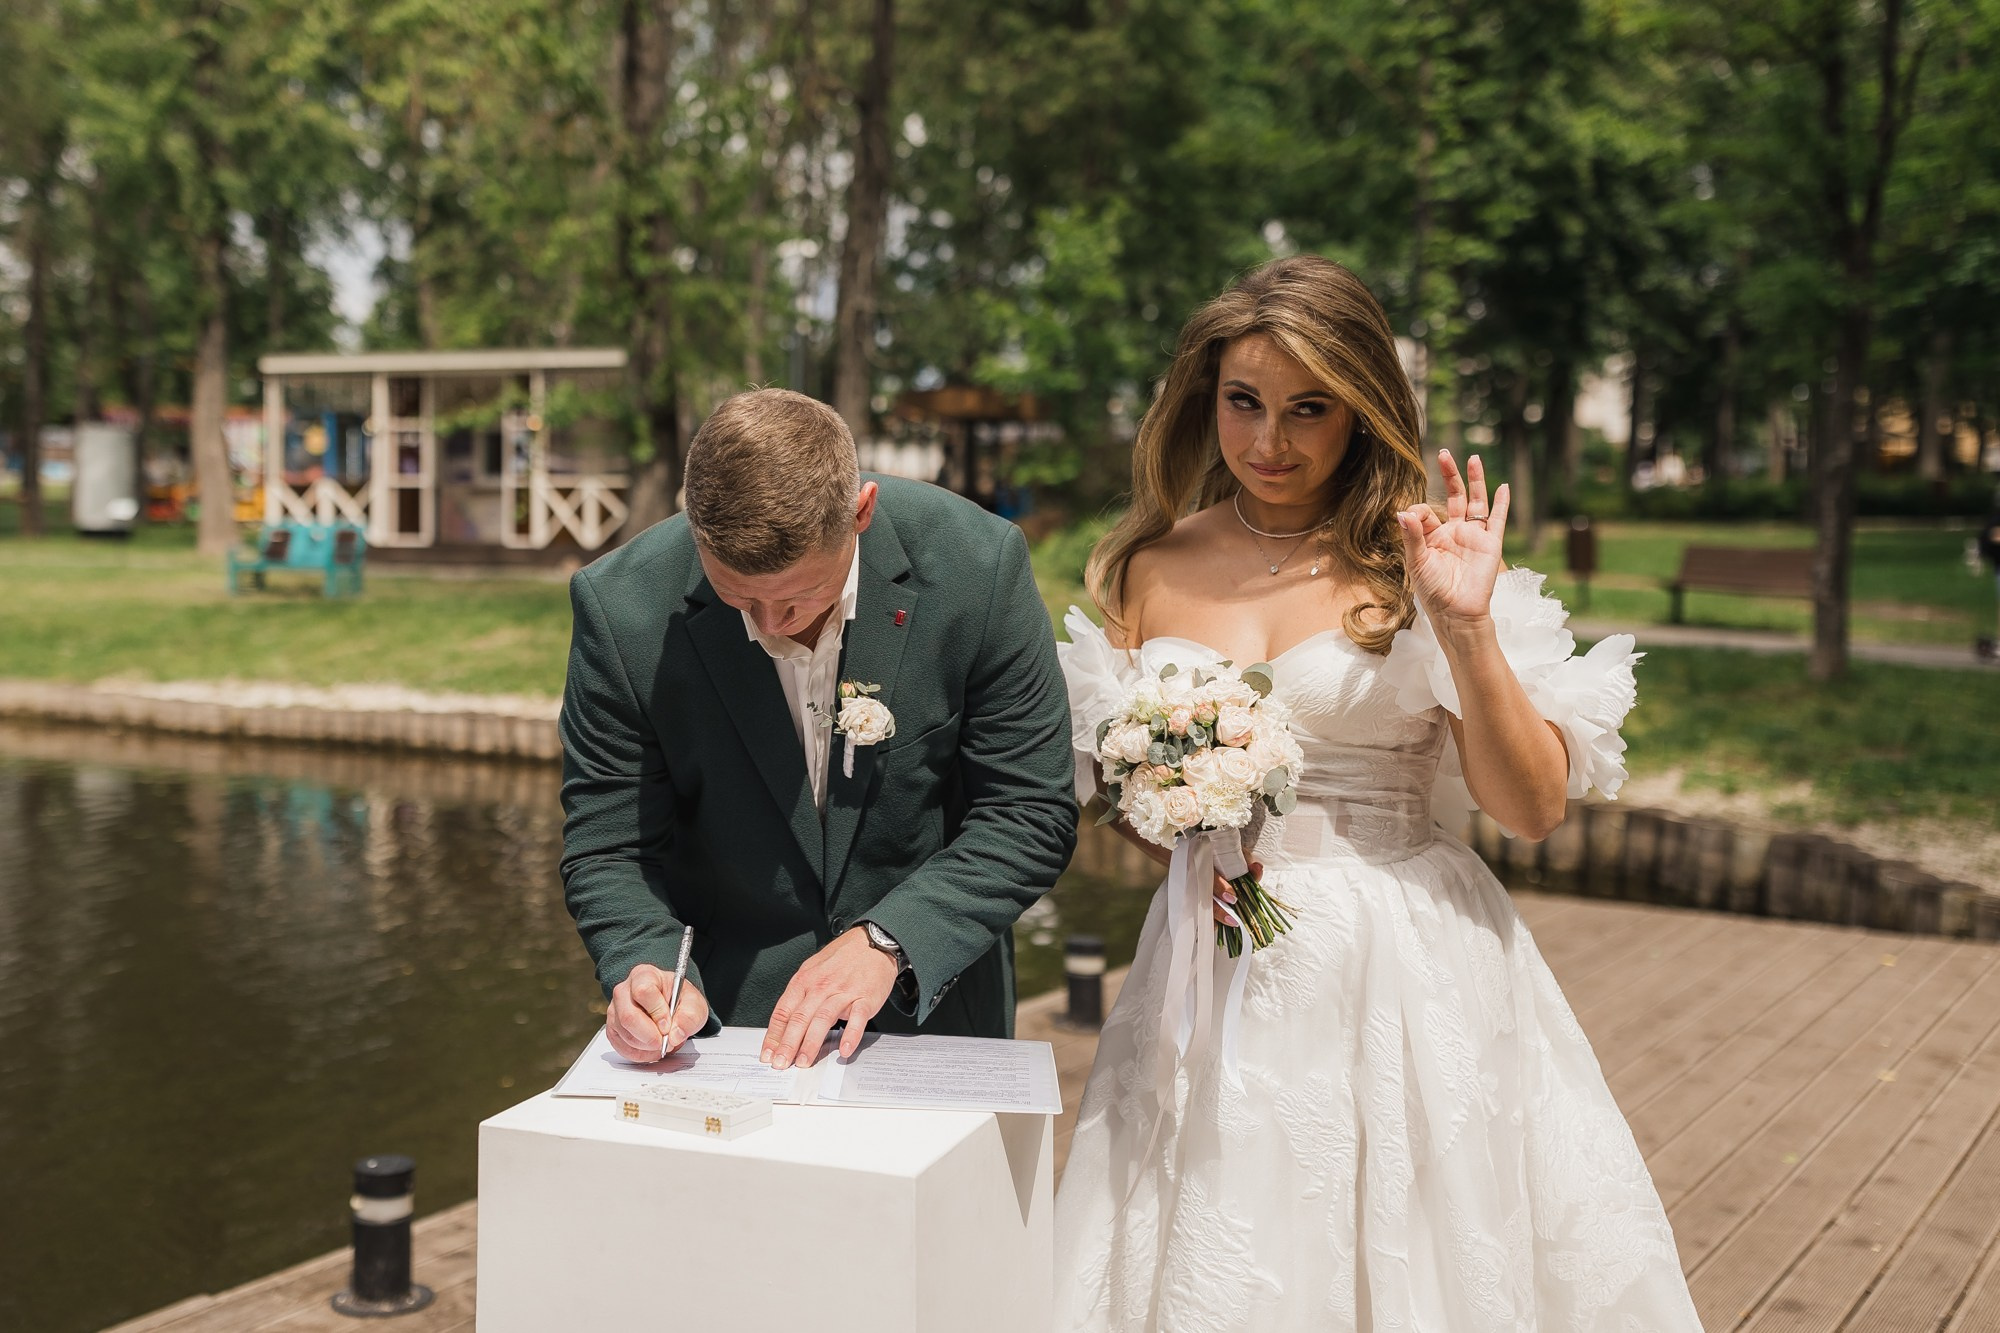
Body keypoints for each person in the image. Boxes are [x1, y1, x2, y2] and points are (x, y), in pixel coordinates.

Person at [1052, 256, 1702, 1329]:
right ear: (1202, 397)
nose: (1269, 442)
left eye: (1308, 408)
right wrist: (1170, 801)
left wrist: (1465, 626)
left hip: (1397, 957)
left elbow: (1530, 807)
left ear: (1360, 407)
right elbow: (1124, 800)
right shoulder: (1147, 565)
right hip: (1209, 956)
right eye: (1243, 402)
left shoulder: (1416, 556)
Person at [558, 388, 1076, 1072]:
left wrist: (892, 939)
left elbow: (1029, 810)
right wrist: (646, 969)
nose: (771, 629)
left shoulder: (979, 568)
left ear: (860, 512)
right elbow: (609, 847)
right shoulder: (620, 608)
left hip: (934, 1022)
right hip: (725, 1038)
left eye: (799, 597)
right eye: (740, 597)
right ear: (696, 529)